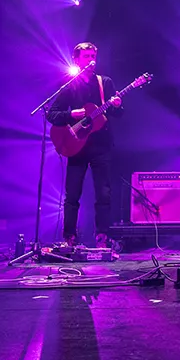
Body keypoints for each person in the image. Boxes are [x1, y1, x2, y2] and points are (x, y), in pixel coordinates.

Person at [46, 43, 123, 248]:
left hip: (101, 145)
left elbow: (118, 114)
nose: (91, 60)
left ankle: (102, 237)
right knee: (72, 194)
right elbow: (52, 115)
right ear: (76, 60)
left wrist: (116, 105)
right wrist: (71, 114)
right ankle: (69, 237)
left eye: (93, 56)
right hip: (76, 146)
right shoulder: (69, 85)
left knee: (103, 193)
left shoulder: (105, 83)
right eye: (86, 56)